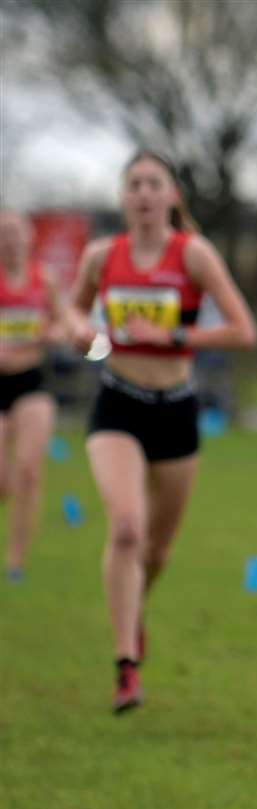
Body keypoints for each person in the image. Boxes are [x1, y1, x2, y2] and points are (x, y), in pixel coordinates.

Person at [65, 151, 257, 711]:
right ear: (123, 196)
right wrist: (81, 330)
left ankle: (133, 612)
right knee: (126, 528)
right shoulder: (102, 256)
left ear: (172, 195)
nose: (144, 193)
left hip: (176, 409)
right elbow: (74, 316)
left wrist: (170, 336)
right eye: (134, 184)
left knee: (159, 549)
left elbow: (243, 331)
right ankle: (126, 663)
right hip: (117, 405)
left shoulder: (193, 255)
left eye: (154, 184)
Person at [0, 208, 70, 583]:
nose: (10, 240)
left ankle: (15, 561)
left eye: (16, 233)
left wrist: (53, 334)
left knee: (29, 470)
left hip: (31, 384)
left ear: (29, 238)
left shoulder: (45, 280)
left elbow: (62, 322)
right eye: (3, 234)